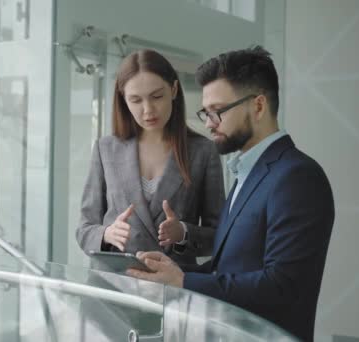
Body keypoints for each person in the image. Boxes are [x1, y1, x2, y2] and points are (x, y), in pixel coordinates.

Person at [127, 46, 335, 342]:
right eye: (206, 112)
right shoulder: (246, 173)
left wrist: (185, 281)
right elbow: (230, 268)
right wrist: (169, 272)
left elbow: (283, 286)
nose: (209, 122)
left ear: (258, 106)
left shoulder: (297, 176)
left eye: (218, 112)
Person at [76, 49, 225, 270]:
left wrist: (183, 233)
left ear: (174, 90)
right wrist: (107, 233)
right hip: (114, 289)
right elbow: (84, 229)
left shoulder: (203, 151)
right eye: (135, 100)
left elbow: (220, 236)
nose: (148, 110)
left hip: (172, 290)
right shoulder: (106, 149)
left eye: (157, 97)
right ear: (123, 100)